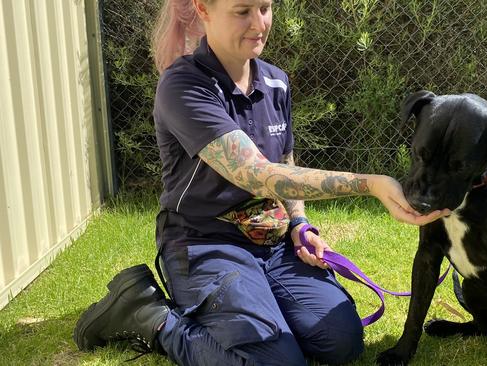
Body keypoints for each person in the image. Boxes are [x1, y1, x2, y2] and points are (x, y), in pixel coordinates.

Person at [73, 0, 448, 365]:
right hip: (205, 242)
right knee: (278, 361)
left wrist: (300, 224)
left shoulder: (276, 82)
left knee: (341, 342)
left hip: (273, 240)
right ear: (203, 9)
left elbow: (284, 160)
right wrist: (368, 184)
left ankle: (260, 307)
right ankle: (148, 316)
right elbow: (256, 174)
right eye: (242, 11)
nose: (259, 24)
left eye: (265, 8)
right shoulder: (184, 85)